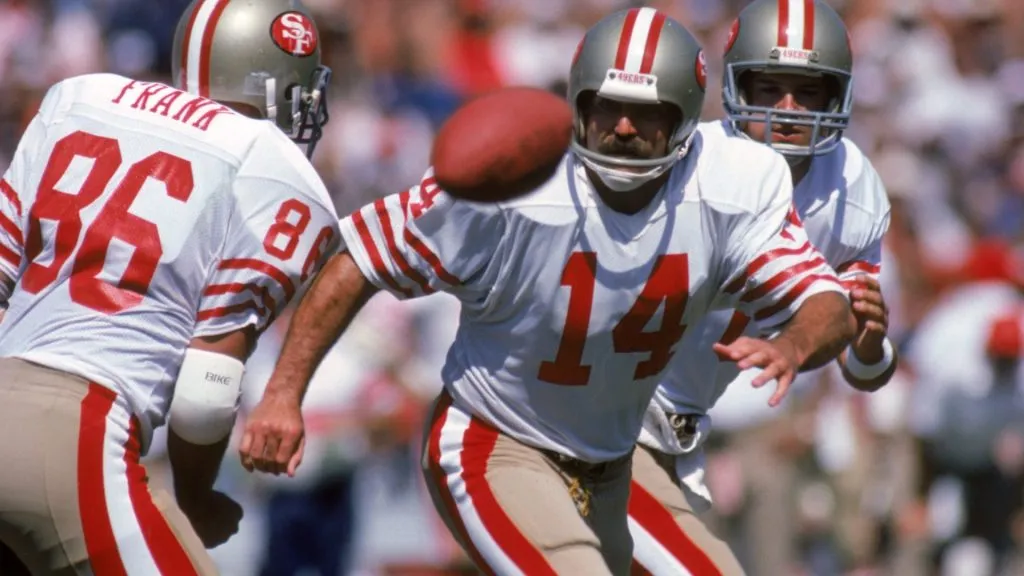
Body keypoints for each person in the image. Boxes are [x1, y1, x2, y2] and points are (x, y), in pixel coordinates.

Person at [242, 7, 856, 575]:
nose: (622, 127)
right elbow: (359, 259)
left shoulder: (732, 184)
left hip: (612, 463)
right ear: (576, 101)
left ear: (686, 119)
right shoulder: (516, 186)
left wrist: (794, 345)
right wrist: (283, 396)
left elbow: (825, 301)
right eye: (607, 106)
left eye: (647, 113)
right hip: (493, 441)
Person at [0, 0, 339, 573]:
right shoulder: (272, 166)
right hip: (79, 431)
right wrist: (196, 497)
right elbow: (206, 392)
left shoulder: (79, 98)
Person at [625, 1, 896, 574]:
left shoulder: (854, 187)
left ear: (836, 96)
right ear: (736, 86)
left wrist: (869, 341)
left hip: (729, 420)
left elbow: (862, 365)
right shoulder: (688, 163)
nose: (787, 109)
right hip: (627, 409)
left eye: (807, 92)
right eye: (769, 89)